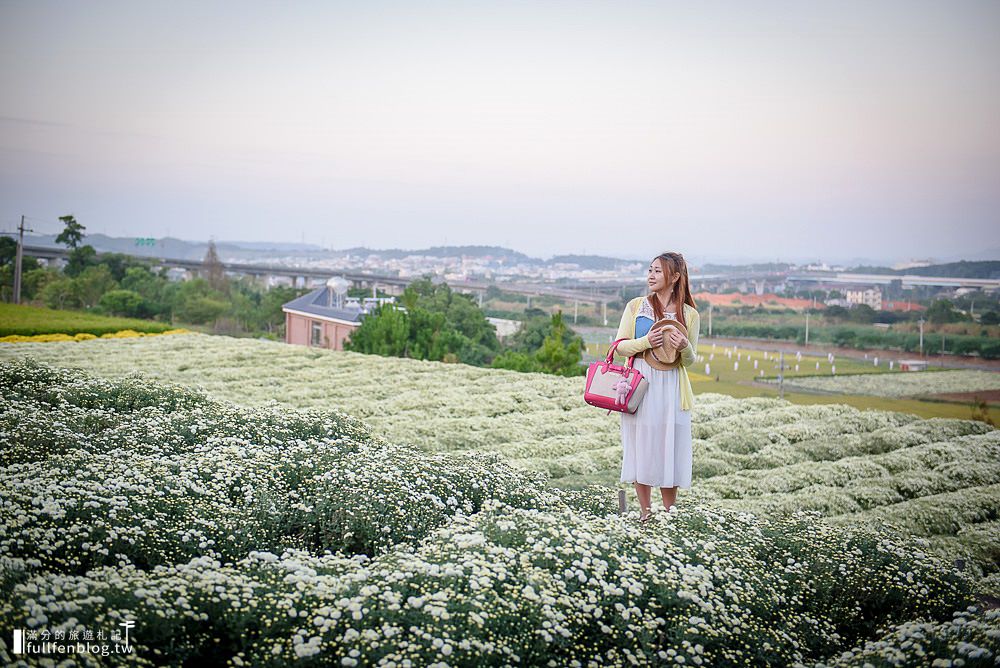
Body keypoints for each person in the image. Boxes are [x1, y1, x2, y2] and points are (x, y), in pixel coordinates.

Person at [613, 251, 700, 522]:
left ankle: (669, 516)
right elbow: (619, 347)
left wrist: (684, 347)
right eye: (650, 270)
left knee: (668, 448)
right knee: (642, 446)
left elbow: (691, 360)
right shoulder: (637, 306)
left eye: (657, 271)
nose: (651, 275)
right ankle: (645, 515)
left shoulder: (689, 314)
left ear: (675, 277)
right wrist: (646, 342)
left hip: (672, 386)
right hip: (640, 384)